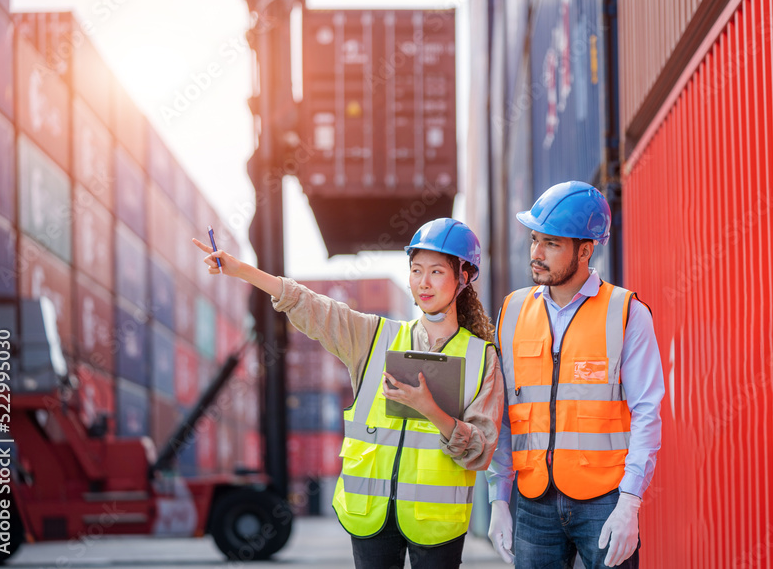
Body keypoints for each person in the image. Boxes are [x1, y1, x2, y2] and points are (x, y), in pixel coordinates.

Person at [193, 218, 503, 569]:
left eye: (436, 272)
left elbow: (480, 449)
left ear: (464, 277)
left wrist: (430, 409)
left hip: (436, 522)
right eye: (416, 270)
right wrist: (241, 270)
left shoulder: (482, 357)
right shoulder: (374, 337)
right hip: (369, 513)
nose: (423, 283)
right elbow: (310, 306)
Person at [485, 181, 664, 569]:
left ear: (585, 250)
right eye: (535, 240)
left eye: (551, 244)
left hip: (605, 501)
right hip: (533, 503)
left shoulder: (626, 313)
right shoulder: (511, 312)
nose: (536, 253)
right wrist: (499, 498)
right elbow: (502, 414)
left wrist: (629, 503)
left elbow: (647, 414)